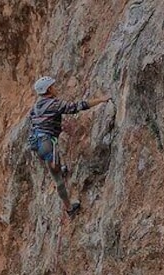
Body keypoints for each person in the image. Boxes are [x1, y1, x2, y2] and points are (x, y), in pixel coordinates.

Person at [29, 75, 111, 217]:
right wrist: (101, 100)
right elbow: (77, 107)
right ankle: (69, 208)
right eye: (53, 86)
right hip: (48, 143)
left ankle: (59, 167)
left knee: (54, 165)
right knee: (58, 179)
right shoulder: (54, 104)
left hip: (37, 142)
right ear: (48, 89)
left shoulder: (35, 107)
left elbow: (34, 123)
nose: (55, 88)